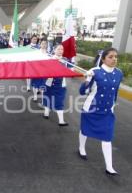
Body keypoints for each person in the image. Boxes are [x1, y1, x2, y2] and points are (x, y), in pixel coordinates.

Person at [78, 48, 123, 176]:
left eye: (115, 56)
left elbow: (115, 92)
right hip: (91, 108)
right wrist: (87, 80)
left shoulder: (119, 73)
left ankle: (109, 166)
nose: (114, 59)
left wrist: (113, 105)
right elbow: (82, 92)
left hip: (107, 111)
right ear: (103, 59)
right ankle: (81, 148)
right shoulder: (94, 72)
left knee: (107, 136)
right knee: (84, 130)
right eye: (110, 57)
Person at [42, 44, 68, 126]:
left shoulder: (65, 60)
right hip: (50, 83)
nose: (61, 51)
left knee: (59, 101)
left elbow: (69, 70)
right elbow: (45, 71)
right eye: (59, 49)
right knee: (47, 98)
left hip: (61, 84)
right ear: (54, 50)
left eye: (62, 49)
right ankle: (46, 113)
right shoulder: (49, 59)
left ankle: (61, 121)